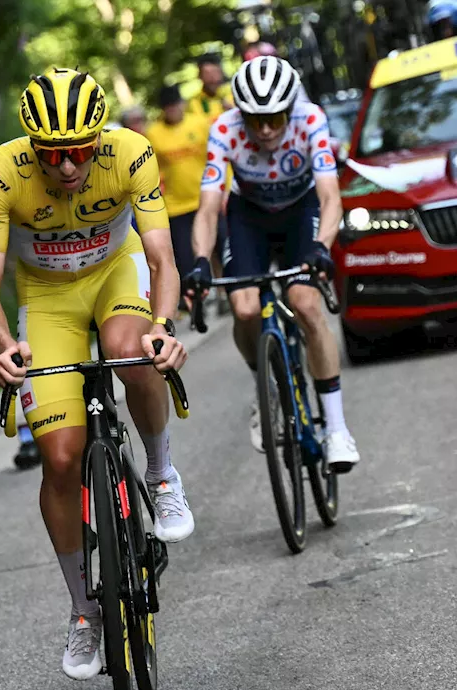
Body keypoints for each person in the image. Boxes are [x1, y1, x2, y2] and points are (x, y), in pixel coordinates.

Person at [0, 67, 193, 681]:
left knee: (130, 351)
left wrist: (164, 328)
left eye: (79, 151)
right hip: (44, 299)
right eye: (53, 154)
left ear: (98, 138)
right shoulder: (1, 172)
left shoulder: (130, 152)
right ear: (32, 148)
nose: (68, 166)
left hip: (116, 275)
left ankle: (161, 470)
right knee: (61, 459)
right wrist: (3, 346)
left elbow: (160, 257)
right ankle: (82, 611)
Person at [187, 57, 360, 471]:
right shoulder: (225, 129)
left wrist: (321, 246)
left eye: (274, 117)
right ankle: (263, 386)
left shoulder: (310, 119)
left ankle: (336, 428)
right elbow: (209, 208)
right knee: (244, 308)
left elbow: (331, 197)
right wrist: (198, 261)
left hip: (301, 213)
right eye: (255, 119)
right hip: (250, 216)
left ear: (290, 108)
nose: (264, 129)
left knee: (305, 303)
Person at [144, 84, 215, 308]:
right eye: (168, 107)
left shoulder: (199, 123)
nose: (172, 110)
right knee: (185, 256)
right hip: (175, 205)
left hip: (206, 197)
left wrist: (224, 190)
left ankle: (224, 292)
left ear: (181, 104)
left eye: (175, 105)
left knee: (217, 248)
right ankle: (194, 301)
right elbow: (151, 171)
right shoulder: (153, 133)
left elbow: (216, 159)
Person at [185, 51, 232, 120]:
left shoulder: (233, 94)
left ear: (222, 73)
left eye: (215, 72)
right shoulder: (193, 103)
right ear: (199, 76)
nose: (213, 78)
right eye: (207, 74)